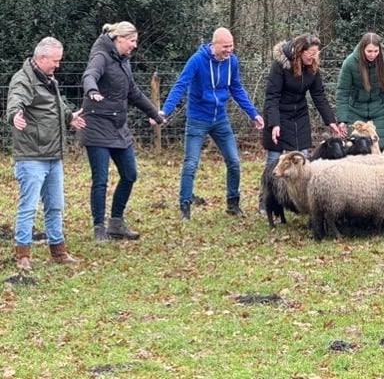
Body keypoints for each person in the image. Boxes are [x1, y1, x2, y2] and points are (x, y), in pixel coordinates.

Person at [161, 27, 265, 220]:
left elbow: (236, 88)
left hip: (220, 120)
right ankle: (185, 206)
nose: (229, 50)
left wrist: (253, 113)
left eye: (231, 46)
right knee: (191, 163)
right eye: (225, 47)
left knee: (234, 161)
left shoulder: (232, 61)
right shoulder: (197, 60)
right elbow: (180, 85)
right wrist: (164, 111)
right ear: (214, 44)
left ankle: (233, 203)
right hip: (197, 119)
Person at [80, 22, 166, 242]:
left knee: (130, 174)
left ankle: (116, 223)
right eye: (132, 41)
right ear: (119, 39)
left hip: (118, 127)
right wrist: (92, 90)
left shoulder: (123, 60)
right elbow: (90, 75)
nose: (134, 46)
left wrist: (155, 114)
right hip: (97, 125)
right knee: (100, 179)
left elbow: (133, 92)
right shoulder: (101, 55)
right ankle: (99, 227)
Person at [6, 37, 86, 271]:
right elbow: (15, 101)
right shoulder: (23, 80)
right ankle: (23, 254)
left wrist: (69, 117)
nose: (57, 65)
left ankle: (58, 251)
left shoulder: (49, 79)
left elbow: (56, 106)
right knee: (28, 206)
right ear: (41, 58)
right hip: (31, 155)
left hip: (53, 154)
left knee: (55, 204)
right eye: (55, 61)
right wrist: (14, 116)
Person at [262, 33, 344, 167]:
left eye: (316, 53)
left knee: (303, 159)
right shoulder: (280, 66)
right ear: (300, 51)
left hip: (299, 116)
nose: (314, 56)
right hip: (278, 114)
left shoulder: (312, 67)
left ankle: (301, 188)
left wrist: (331, 121)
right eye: (311, 53)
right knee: (274, 160)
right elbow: (272, 96)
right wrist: (274, 123)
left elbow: (319, 96)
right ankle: (268, 187)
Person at [335, 32, 384, 147]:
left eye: (376, 51)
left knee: (379, 146)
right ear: (363, 49)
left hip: (380, 112)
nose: (372, 55)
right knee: (355, 148)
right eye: (369, 51)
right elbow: (342, 92)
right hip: (356, 111)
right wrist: (342, 119)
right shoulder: (350, 63)